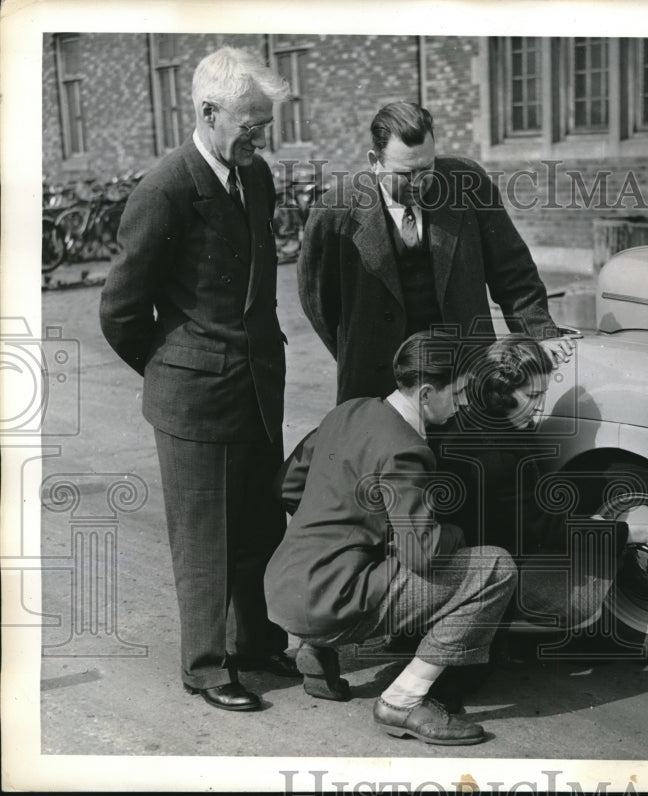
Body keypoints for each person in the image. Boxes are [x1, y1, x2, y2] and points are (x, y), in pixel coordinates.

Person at [99, 47, 297, 712]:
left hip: (256, 386)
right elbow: (122, 311)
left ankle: (255, 642)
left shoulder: (257, 174)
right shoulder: (164, 189)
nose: (258, 137)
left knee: (258, 521)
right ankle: (207, 666)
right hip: (195, 396)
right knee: (205, 536)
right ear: (209, 113)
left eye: (264, 125)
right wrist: (174, 370)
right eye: (249, 125)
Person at [264, 332, 517, 746]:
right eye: (457, 393)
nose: (463, 403)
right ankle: (403, 699)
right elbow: (422, 554)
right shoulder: (407, 449)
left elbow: (287, 486)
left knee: (368, 557)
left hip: (282, 586)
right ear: (427, 393)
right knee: (494, 568)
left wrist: (346, 528)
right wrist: (456, 531)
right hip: (328, 600)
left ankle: (315, 647)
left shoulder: (348, 411)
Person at [429, 335, 648, 703]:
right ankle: (518, 626)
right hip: (478, 572)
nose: (538, 408)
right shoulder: (493, 453)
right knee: (585, 581)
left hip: (477, 553)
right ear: (501, 392)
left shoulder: (486, 420)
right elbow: (544, 528)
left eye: (542, 396)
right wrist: (634, 531)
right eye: (532, 396)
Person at [297, 100, 573, 406]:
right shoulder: (335, 211)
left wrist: (540, 331)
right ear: (375, 161)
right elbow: (319, 303)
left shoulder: (467, 184)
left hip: (465, 373)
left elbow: (512, 269)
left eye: (426, 168)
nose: (419, 183)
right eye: (405, 174)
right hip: (377, 385)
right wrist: (357, 353)